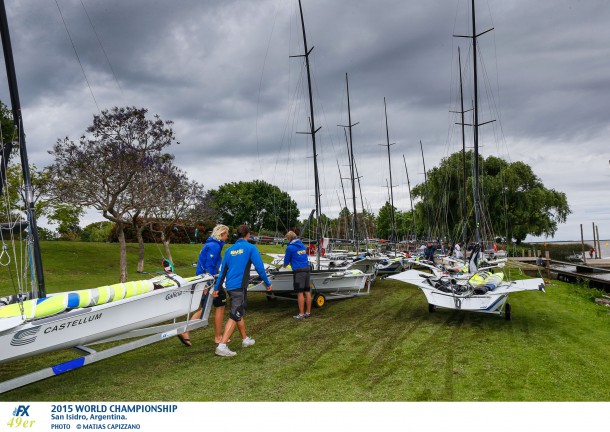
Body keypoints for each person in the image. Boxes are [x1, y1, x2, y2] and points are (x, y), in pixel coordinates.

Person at [214, 224, 273, 357]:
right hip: (239, 287)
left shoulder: (229, 250)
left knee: (239, 311)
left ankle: (245, 339)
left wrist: (217, 288)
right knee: (235, 314)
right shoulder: (250, 248)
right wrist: (267, 283)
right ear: (248, 235)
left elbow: (222, 271)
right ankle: (222, 346)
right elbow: (259, 267)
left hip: (230, 286)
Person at [178, 224, 229, 347]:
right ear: (221, 234)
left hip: (205, 280)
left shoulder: (210, 244)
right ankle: (218, 337)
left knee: (205, 308)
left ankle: (185, 331)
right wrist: (208, 285)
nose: (228, 236)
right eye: (227, 234)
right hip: (210, 281)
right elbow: (209, 266)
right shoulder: (214, 246)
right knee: (220, 306)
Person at [282, 231, 312, 319]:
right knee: (307, 291)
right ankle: (308, 312)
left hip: (299, 271)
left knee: (300, 292)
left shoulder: (290, 247)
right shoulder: (302, 245)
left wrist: (284, 265)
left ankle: (301, 314)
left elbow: (286, 261)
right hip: (307, 269)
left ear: (289, 238)